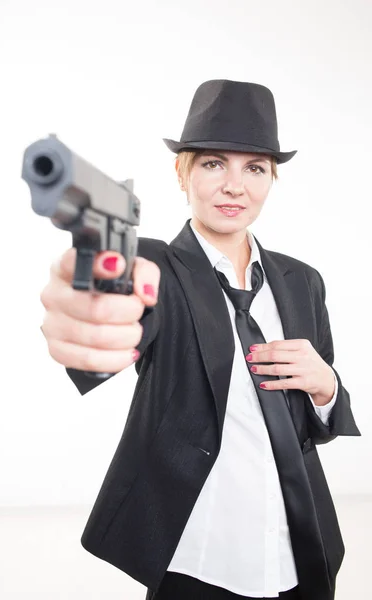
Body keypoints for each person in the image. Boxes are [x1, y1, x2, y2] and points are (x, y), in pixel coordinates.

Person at [39, 80, 361, 600]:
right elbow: (112, 289)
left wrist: (326, 388)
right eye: (214, 164)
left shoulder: (303, 281)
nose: (235, 186)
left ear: (270, 180)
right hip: (199, 554)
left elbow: (319, 425)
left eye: (254, 168)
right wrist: (91, 299)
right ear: (182, 173)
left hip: (301, 548)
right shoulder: (159, 267)